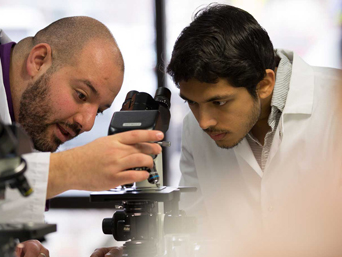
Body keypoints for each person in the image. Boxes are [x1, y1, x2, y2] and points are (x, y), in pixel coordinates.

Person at [94, 3, 342, 257]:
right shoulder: (196, 126)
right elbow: (194, 233)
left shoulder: (335, 104)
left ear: (265, 84)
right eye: (192, 102)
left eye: (219, 102)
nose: (204, 122)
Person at [0, 16, 163, 256]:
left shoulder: (31, 118)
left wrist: (12, 246)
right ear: (39, 60)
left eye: (98, 111)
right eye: (81, 95)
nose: (86, 124)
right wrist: (71, 168)